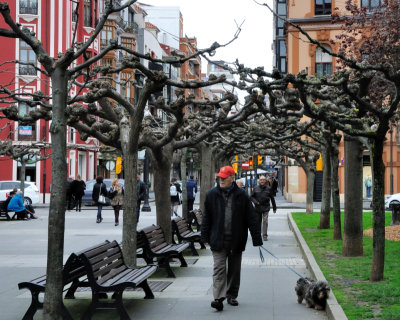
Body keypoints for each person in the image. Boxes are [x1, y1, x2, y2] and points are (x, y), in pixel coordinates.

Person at [201, 165, 262, 311]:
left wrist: (256, 238)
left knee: (234, 270)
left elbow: (251, 218)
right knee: (219, 269)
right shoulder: (211, 194)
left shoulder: (242, 195)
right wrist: (204, 236)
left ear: (232, 178)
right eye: (220, 177)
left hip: (236, 239)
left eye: (224, 177)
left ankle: (232, 295)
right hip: (217, 239)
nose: (221, 180)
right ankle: (218, 298)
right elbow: (206, 217)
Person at [250, 175, 277, 241]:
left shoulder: (269, 188)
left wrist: (274, 207)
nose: (262, 181)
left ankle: (264, 235)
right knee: (258, 221)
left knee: (265, 221)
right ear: (259, 181)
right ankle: (259, 234)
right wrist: (256, 202)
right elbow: (251, 197)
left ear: (265, 181)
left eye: (263, 180)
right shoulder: (255, 188)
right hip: (258, 208)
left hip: (266, 207)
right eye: (261, 180)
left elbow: (272, 198)